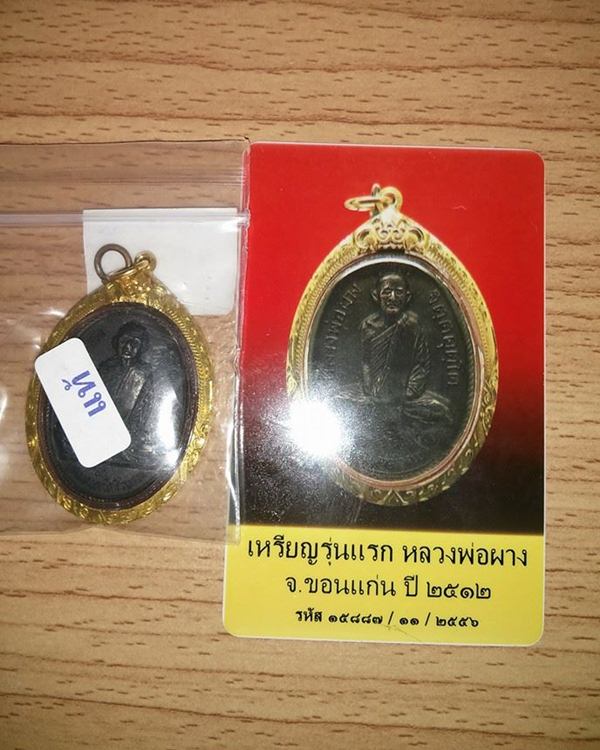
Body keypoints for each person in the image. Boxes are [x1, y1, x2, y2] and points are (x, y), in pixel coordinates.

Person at [360, 270, 452, 426]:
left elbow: (421, 365)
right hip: (375, 394)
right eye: (387, 292)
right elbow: (365, 361)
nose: (393, 298)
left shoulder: (412, 326)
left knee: (442, 411)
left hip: (405, 396)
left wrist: (409, 393)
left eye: (399, 292)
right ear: (376, 296)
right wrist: (369, 388)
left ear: (407, 297)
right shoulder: (368, 326)